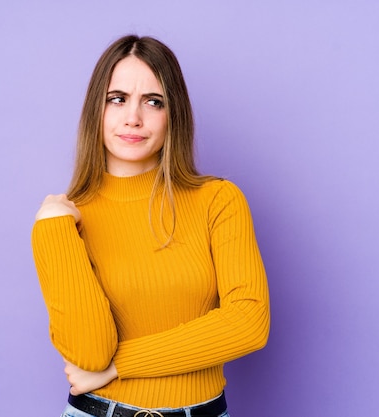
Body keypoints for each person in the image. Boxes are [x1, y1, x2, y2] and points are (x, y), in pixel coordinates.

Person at [32, 34, 270, 417]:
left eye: (153, 102)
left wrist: (119, 367)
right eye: (118, 99)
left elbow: (248, 323)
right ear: (97, 109)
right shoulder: (65, 223)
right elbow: (90, 353)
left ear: (173, 113)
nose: (133, 118)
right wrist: (52, 228)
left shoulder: (218, 200)